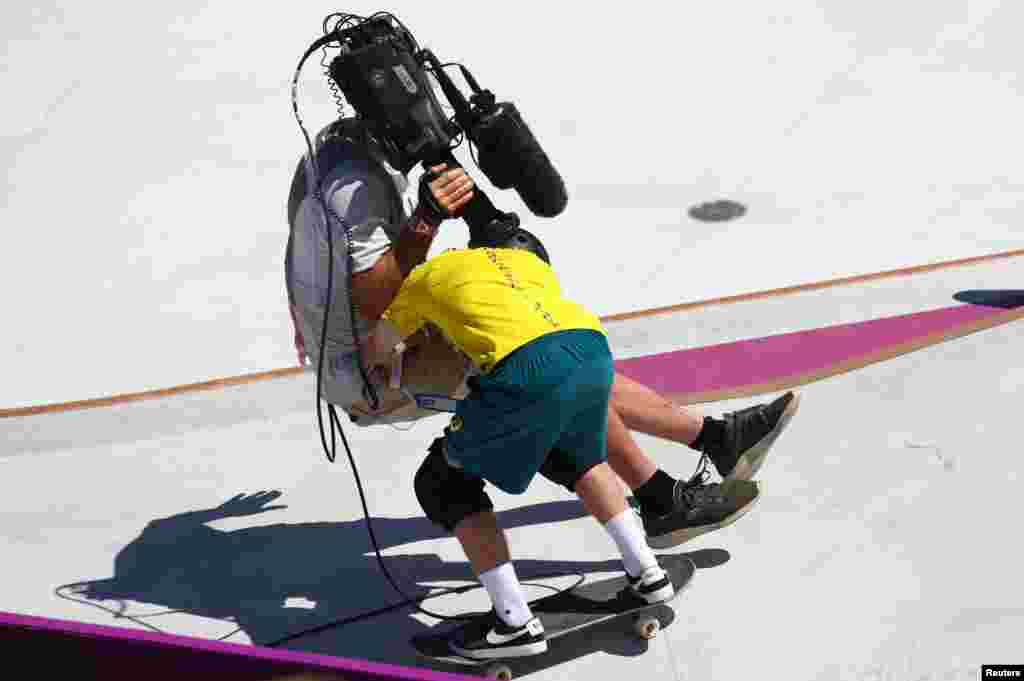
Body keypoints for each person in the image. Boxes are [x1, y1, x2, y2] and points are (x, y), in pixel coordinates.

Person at [285, 116, 800, 550]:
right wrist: (426, 219)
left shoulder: (338, 163)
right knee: (549, 371)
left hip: (391, 341)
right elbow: (373, 297)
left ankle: (715, 441)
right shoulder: (355, 186)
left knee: (547, 348)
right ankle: (664, 500)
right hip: (371, 368)